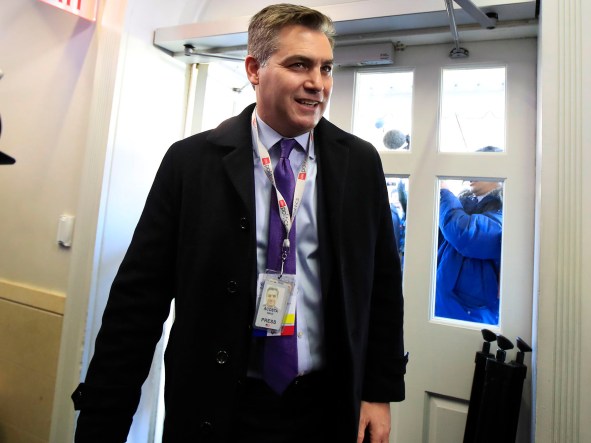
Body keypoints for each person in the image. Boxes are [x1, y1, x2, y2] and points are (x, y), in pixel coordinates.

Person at [71, 4, 406, 443]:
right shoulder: (191, 163)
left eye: (325, 68)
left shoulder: (358, 163)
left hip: (325, 406)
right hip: (217, 407)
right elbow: (138, 302)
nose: (317, 82)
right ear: (254, 69)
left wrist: (378, 392)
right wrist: (102, 420)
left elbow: (382, 286)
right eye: (298, 65)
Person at [435, 146, 503, 324]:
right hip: (444, 304)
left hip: (472, 313)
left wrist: (444, 192)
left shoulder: (507, 209)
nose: (469, 173)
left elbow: (465, 235)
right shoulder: (462, 206)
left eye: (477, 166)